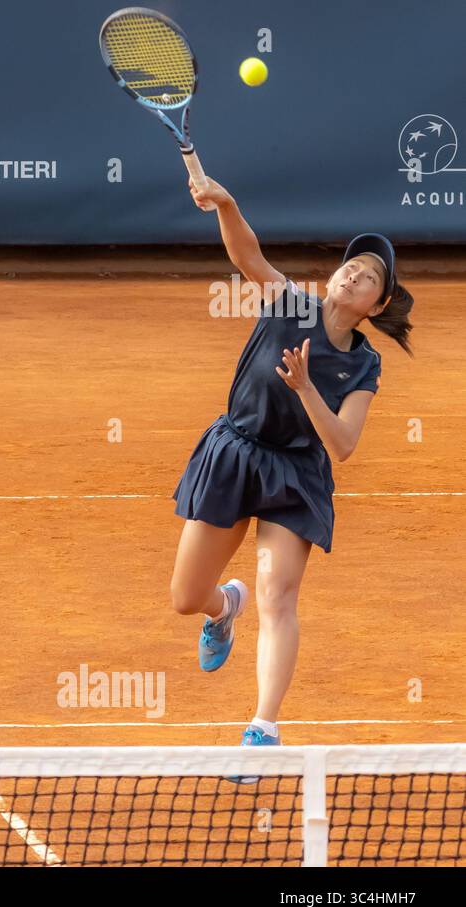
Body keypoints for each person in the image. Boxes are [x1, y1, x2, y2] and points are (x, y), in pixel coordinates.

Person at [169, 177, 414, 755]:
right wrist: (225, 204)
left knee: (278, 594)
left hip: (295, 476)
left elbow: (344, 445)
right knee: (185, 596)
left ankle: (263, 728)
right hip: (234, 455)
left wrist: (306, 389)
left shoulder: (364, 365)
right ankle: (224, 606)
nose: (354, 273)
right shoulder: (289, 302)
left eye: (370, 276)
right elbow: (247, 255)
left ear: (376, 307)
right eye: (352, 265)